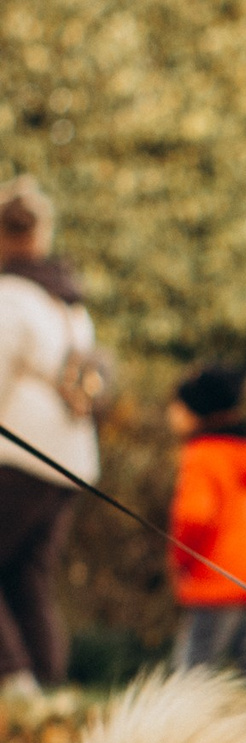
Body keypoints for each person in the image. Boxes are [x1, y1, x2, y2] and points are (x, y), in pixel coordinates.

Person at [0, 177, 99, 696]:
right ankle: (49, 683)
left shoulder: (8, 298)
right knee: (27, 576)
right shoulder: (66, 300)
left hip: (17, 453)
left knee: (20, 574)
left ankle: (14, 682)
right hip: (70, 458)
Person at [168, 365, 246, 690]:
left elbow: (194, 518)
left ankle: (179, 726)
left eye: (178, 405)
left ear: (198, 411)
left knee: (194, 668)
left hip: (215, 577)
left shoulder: (203, 456)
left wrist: (179, 561)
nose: (171, 414)